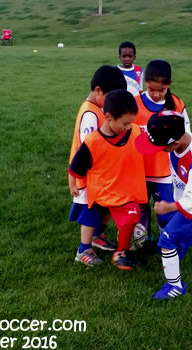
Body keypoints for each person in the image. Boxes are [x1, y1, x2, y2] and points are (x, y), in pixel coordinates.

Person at [135, 111, 192, 299]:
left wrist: (169, 207)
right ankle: (172, 255)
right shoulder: (179, 136)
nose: (157, 150)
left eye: (160, 146)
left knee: (167, 239)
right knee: (173, 241)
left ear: (175, 143)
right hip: (184, 201)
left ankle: (175, 286)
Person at [68, 90, 147, 271]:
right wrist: (73, 184)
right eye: (125, 123)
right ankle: (83, 250)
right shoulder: (93, 142)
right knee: (91, 217)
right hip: (99, 190)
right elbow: (75, 166)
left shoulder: (133, 131)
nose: (129, 127)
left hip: (122, 189)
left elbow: (147, 143)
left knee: (131, 214)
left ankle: (121, 252)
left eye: (131, 123)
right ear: (108, 117)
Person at [68, 65, 128, 267]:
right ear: (98, 91)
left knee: (107, 206)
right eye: (112, 97)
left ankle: (97, 236)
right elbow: (89, 148)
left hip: (102, 175)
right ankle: (83, 249)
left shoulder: (100, 109)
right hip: (88, 175)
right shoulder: (90, 114)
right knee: (90, 211)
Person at [132, 60, 191, 246]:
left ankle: (166, 242)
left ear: (169, 84)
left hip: (163, 172)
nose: (156, 94)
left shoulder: (176, 105)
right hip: (138, 170)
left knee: (165, 210)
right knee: (140, 210)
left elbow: (186, 134)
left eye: (162, 90)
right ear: (144, 83)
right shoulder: (135, 104)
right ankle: (141, 244)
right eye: (151, 89)